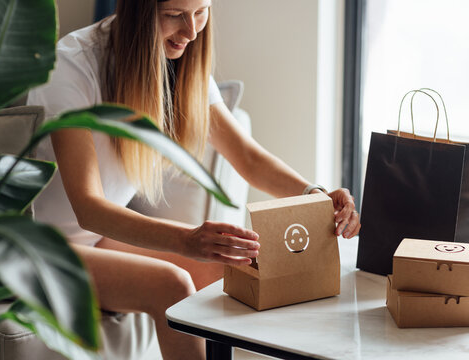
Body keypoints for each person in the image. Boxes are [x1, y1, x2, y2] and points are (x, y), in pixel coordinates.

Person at [27, 0, 361, 358]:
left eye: (201, 11)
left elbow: (248, 158)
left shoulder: (179, 63)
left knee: (238, 269)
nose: (191, 31)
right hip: (39, 249)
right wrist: (186, 240)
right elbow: (89, 208)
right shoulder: (72, 66)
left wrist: (316, 195)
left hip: (95, 242)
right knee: (171, 284)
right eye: (174, 15)